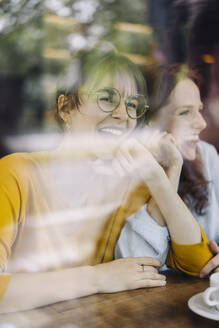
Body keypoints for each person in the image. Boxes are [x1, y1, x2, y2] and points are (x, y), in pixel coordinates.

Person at [0, 51, 169, 313]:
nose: (123, 114)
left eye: (133, 105)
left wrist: (161, 175)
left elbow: (198, 263)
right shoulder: (15, 173)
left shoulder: (131, 186)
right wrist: (97, 278)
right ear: (65, 108)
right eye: (106, 98)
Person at [115, 64, 216, 275]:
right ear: (151, 122)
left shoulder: (206, 156)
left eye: (199, 110)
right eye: (185, 112)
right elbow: (139, 264)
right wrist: (171, 170)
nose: (202, 123)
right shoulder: (126, 170)